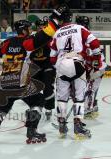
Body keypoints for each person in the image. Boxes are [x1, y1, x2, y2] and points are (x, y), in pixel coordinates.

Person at [0, 4, 69, 145]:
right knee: (38, 101)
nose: (31, 30)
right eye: (29, 28)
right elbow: (47, 34)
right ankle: (32, 131)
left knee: (1, 108)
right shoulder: (27, 43)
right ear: (24, 30)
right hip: (21, 84)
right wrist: (55, 17)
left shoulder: (7, 43)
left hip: (5, 84)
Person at [50, 9, 102, 139]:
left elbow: (52, 57)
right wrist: (95, 60)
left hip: (62, 65)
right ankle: (78, 126)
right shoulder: (79, 28)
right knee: (79, 98)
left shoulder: (57, 33)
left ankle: (62, 126)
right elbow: (95, 44)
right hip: (77, 63)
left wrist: (60, 67)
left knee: (62, 98)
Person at [76, 16, 107, 119]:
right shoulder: (82, 36)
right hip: (91, 66)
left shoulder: (87, 37)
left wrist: (91, 71)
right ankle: (93, 104)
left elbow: (95, 60)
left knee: (90, 89)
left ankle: (89, 109)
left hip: (96, 68)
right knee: (89, 88)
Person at [30, 19, 56, 120]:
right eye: (39, 26)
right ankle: (35, 108)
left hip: (47, 66)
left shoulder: (51, 38)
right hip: (35, 67)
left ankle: (49, 108)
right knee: (33, 90)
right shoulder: (31, 38)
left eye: (43, 26)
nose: (41, 28)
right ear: (36, 27)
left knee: (48, 88)